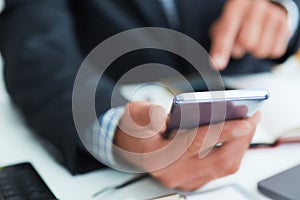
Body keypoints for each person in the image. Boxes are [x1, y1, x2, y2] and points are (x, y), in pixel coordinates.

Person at [0, 0, 299, 191]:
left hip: (273, 135)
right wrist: (117, 129)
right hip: (127, 160)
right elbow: (36, 50)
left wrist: (283, 9)